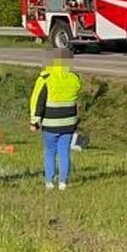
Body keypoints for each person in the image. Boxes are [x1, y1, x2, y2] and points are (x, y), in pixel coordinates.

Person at [30, 48, 82, 191]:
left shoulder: (45, 78)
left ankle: (49, 181)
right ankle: (63, 182)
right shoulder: (74, 78)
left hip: (50, 122)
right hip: (69, 122)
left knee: (50, 151)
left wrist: (34, 121)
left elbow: (37, 101)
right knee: (64, 151)